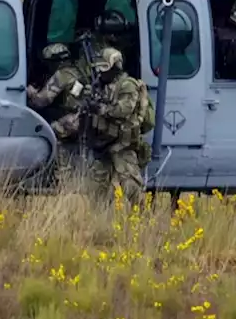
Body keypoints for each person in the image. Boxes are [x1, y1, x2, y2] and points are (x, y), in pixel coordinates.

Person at [84, 46, 151, 205]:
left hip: (122, 143)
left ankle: (139, 221)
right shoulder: (101, 85)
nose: (101, 72)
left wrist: (101, 108)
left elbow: (124, 110)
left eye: (105, 67)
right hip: (103, 142)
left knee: (131, 185)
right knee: (96, 187)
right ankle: (99, 220)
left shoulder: (128, 85)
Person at [26, 43, 89, 186]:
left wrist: (31, 93)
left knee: (45, 133)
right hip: (83, 119)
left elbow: (41, 101)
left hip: (72, 121)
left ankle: (59, 174)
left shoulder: (61, 75)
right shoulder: (78, 71)